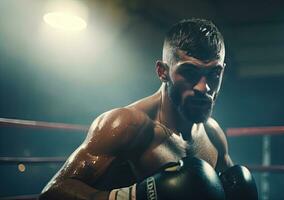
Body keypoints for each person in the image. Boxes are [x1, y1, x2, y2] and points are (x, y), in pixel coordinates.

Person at [39, 18, 258, 200]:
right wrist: (134, 196)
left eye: (214, 74)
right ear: (163, 72)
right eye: (190, 73)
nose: (205, 87)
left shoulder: (213, 135)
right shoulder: (126, 125)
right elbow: (53, 192)